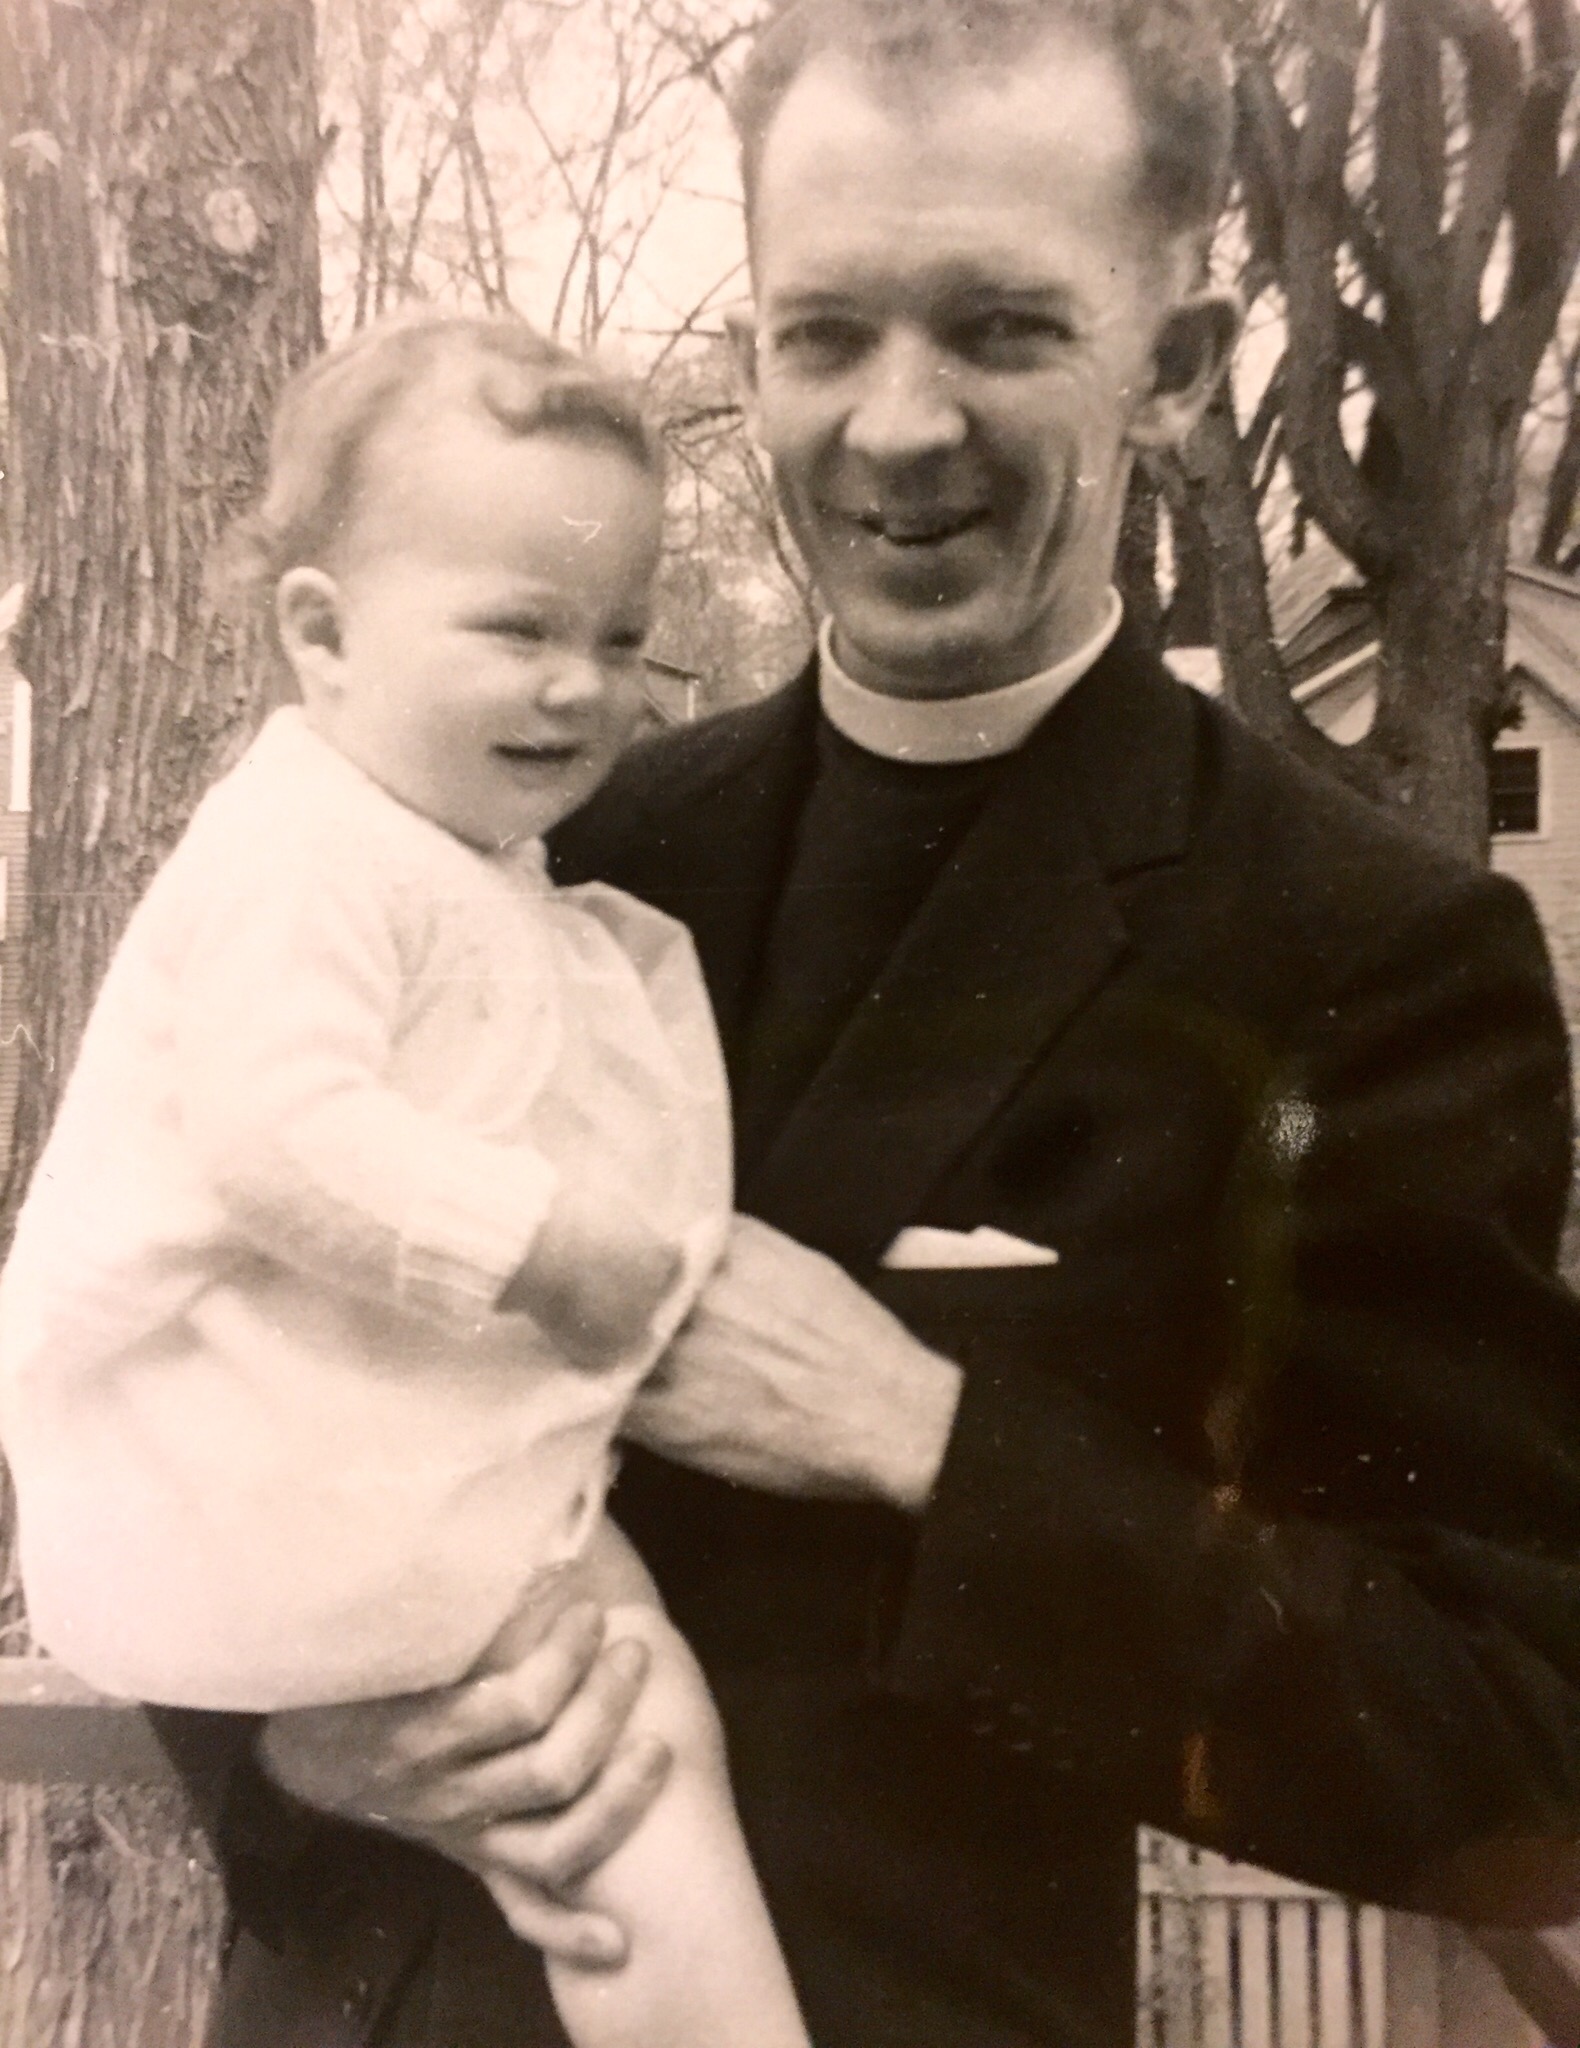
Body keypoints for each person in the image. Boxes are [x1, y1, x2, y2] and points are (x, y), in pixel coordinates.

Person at [200, 1, 1580, 2043]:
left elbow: (1513, 1738)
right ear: (751, 358)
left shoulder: (1358, 952)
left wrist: (926, 1437)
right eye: (825, 333)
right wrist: (284, 1741)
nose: (899, 424)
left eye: (1002, 329)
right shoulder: (540, 831)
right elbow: (179, 1315)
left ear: (1177, 369)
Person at [0, 315, 810, 2048]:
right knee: (637, 1732)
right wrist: (537, 1244)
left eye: (621, 638)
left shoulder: (449, 853)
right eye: (518, 628)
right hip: (264, 1483)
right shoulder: (300, 853)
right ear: (322, 635)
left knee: (623, 1751)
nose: (580, 686)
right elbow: (271, 1130)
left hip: (344, 1489)